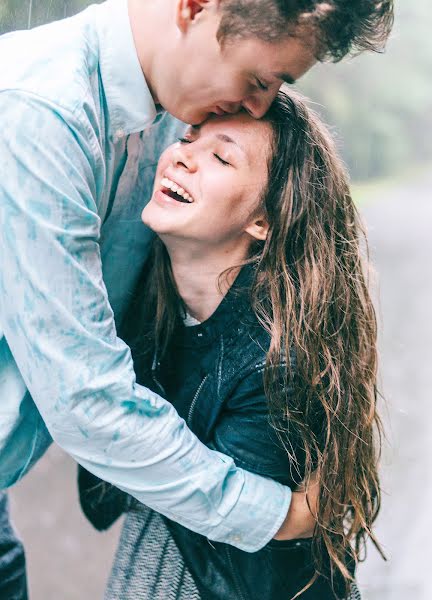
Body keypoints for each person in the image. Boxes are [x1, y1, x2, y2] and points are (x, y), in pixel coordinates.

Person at [0, 0, 393, 596]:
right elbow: (86, 401)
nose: (260, 104)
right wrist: (277, 515)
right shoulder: (37, 114)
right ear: (193, 8)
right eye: (261, 80)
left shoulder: (176, 110)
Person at [79, 89, 383, 600]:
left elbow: (213, 526)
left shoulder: (277, 363)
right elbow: (106, 490)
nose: (181, 156)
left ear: (262, 221)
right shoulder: (142, 299)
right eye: (187, 138)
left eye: (220, 157)